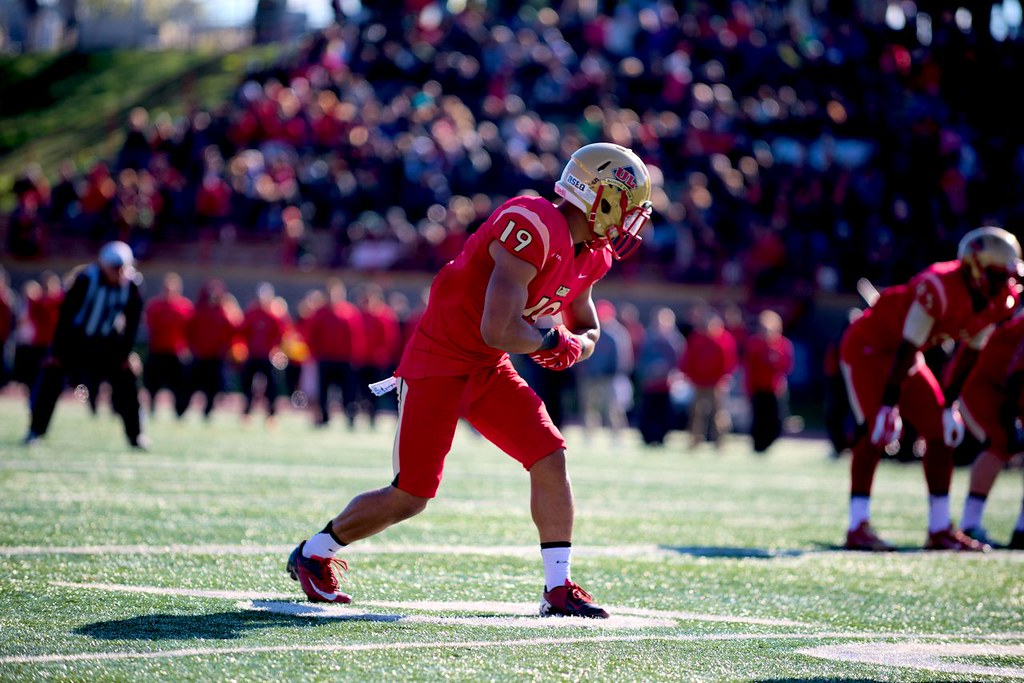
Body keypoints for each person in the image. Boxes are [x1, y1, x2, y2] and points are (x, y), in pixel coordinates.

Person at [286, 142, 654, 618]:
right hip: (440, 361)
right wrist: (549, 344)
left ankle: (558, 586)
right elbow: (496, 327)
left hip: (487, 366)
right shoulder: (533, 222)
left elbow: (586, 324)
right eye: (627, 205)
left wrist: (574, 346)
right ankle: (315, 552)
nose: (632, 220)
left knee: (549, 456)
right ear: (599, 197)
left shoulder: (593, 254)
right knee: (411, 496)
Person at [840, 227, 1021, 552]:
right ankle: (857, 525)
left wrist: (948, 404)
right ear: (976, 268)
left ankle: (939, 529)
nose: (1005, 285)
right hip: (871, 348)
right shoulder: (938, 285)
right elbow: (908, 345)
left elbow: (969, 354)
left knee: (940, 432)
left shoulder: (996, 300)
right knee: (875, 431)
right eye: (998, 276)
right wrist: (887, 404)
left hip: (906, 357)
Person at [23, 241, 148, 449]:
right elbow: (65, 317)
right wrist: (56, 350)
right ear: (103, 265)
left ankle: (136, 436)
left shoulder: (132, 285)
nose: (118, 273)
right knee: (51, 377)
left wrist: (126, 353)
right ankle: (35, 430)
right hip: (76, 341)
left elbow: (132, 323)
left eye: (122, 267)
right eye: (114, 268)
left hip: (108, 342)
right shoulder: (86, 280)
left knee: (127, 379)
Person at [957, 309, 1024, 549]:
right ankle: (969, 524)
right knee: (999, 443)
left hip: (1010, 390)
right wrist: (1009, 417)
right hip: (987, 388)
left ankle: (1021, 530)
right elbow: (1016, 373)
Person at [307, 278, 365, 429]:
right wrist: (314, 353)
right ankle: (324, 418)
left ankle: (350, 417)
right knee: (324, 392)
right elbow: (313, 335)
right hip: (325, 358)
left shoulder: (350, 312)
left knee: (348, 391)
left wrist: (355, 356)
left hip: (345, 359)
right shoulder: (320, 313)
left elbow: (356, 336)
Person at [679, 307, 738, 450]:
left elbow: (729, 362)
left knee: (718, 414)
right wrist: (688, 376)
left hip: (717, 383)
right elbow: (688, 358)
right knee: (696, 412)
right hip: (698, 382)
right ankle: (695, 441)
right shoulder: (697, 338)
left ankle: (719, 442)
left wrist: (724, 379)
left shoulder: (724, 339)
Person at [182, 279, 242, 419]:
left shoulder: (224, 311)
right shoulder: (198, 310)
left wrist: (232, 307)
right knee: (190, 384)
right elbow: (188, 329)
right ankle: (182, 410)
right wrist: (191, 347)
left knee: (213, 387)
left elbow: (236, 328)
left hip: (216, 355)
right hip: (200, 354)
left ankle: (207, 411)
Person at [575, 299, 633, 440]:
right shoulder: (590, 331)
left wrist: (615, 373)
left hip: (610, 377)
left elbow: (624, 357)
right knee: (588, 409)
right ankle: (588, 436)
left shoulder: (618, 333)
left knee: (613, 409)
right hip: (590, 376)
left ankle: (617, 437)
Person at [743, 309, 795, 454]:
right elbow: (749, 368)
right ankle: (758, 445)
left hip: (774, 389)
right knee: (758, 419)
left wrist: (774, 358)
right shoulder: (754, 344)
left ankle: (769, 441)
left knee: (776, 420)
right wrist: (748, 388)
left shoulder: (783, 344)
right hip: (758, 388)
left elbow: (787, 366)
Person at [142, 272, 194, 416]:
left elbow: (190, 330)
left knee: (180, 385)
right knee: (152, 383)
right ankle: (151, 406)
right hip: (157, 350)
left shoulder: (185, 307)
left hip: (176, 352)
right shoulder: (154, 306)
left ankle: (179, 411)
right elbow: (149, 326)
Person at [239, 282, 290, 424]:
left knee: (272, 386)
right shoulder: (252, 314)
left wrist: (277, 350)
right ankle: (246, 412)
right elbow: (242, 332)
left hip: (269, 356)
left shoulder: (275, 315)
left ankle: (271, 414)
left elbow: (283, 334)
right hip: (253, 354)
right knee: (247, 384)